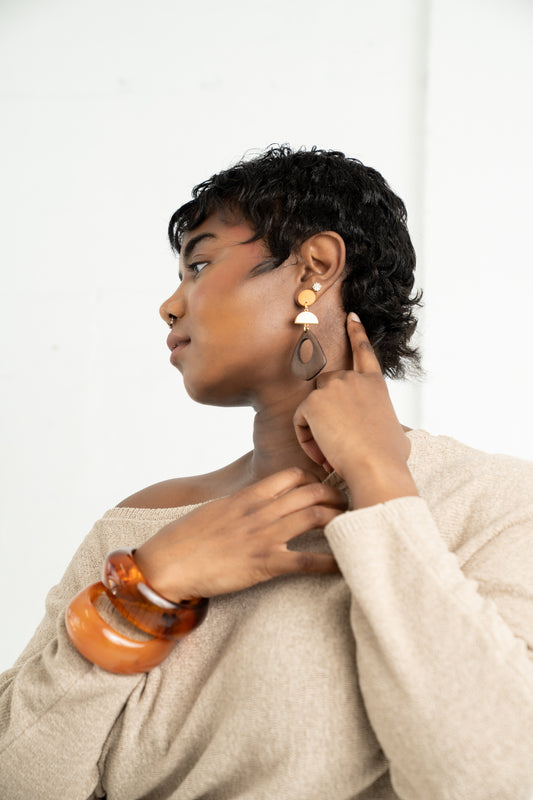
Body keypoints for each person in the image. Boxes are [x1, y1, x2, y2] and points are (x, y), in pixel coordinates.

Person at [1, 145, 533, 800]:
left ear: (314, 267)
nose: (169, 306)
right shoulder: (141, 527)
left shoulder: (492, 502)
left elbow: (495, 780)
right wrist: (150, 590)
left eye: (199, 263)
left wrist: (376, 481)